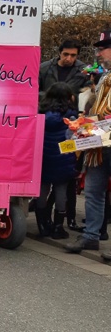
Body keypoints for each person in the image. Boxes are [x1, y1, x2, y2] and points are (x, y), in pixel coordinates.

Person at [67, 28, 111, 254]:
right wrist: (82, 125)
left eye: (102, 49)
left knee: (97, 191)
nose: (98, 54)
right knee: (94, 191)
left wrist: (88, 124)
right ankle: (91, 236)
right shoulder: (104, 75)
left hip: (104, 136)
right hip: (100, 143)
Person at [37, 82, 77, 240]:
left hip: (43, 157)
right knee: (61, 192)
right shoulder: (70, 115)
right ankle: (58, 227)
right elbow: (71, 138)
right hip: (63, 158)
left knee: (42, 189)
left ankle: (42, 224)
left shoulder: (41, 112)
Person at [39, 38, 90, 105]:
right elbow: (33, 91)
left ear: (77, 56)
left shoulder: (84, 70)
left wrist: (73, 98)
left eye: (73, 55)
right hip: (47, 109)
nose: (68, 59)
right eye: (65, 54)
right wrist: (50, 97)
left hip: (71, 111)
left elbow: (87, 94)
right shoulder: (44, 68)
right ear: (60, 53)